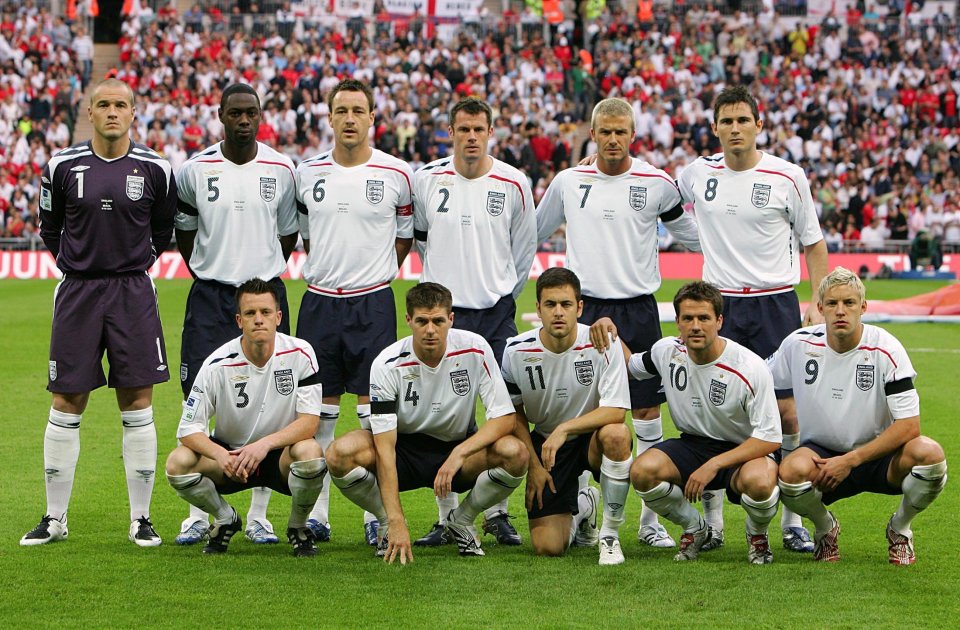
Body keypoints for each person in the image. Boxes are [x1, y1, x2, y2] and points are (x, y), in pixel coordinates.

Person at [537, 97, 701, 549]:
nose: (612, 139)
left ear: (633, 135)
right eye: (604, 131)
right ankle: (586, 506)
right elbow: (532, 231)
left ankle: (650, 522)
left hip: (638, 309)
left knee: (647, 415)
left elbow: (691, 235)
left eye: (620, 132)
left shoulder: (656, 183)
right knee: (583, 412)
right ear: (592, 134)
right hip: (583, 310)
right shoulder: (569, 181)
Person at [22, 78, 177, 547]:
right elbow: (50, 229)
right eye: (104, 105)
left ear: (134, 112)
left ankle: (142, 518)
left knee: (137, 400)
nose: (113, 112)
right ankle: (54, 518)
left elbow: (163, 229)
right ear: (90, 112)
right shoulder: (61, 165)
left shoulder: (156, 168)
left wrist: (132, 267)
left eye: (122, 105)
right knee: (67, 400)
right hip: (79, 292)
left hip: (132, 291)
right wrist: (81, 264)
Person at [676, 85, 828, 553]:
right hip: (720, 305)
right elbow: (663, 209)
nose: (735, 128)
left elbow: (813, 242)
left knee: (785, 412)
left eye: (744, 120)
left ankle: (791, 521)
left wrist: (817, 301)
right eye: (727, 121)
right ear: (715, 127)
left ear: (759, 125)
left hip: (775, 302)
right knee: (713, 411)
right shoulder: (695, 174)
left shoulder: (787, 175)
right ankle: (714, 519)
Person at [173, 83, 299, 546]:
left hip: (264, 293)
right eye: (235, 113)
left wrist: (259, 280)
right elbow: (186, 232)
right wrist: (213, 269)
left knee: (271, 401)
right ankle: (199, 512)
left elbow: (287, 234)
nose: (244, 121)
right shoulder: (194, 169)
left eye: (252, 113)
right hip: (210, 296)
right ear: (220, 115)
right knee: (198, 397)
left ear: (261, 116)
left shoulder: (282, 168)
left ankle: (260, 513)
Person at [324, 283, 529, 563]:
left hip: (457, 451)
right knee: (339, 453)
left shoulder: (475, 349)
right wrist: (396, 519)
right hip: (402, 452)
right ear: (409, 320)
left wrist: (460, 452)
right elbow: (385, 448)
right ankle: (384, 523)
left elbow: (504, 417)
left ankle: (462, 519)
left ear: (451, 320)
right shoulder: (386, 363)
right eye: (422, 321)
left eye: (438, 321)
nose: (430, 330)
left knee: (515, 453)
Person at [412, 97, 536, 546]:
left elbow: (523, 250)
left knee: (503, 411)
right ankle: (445, 516)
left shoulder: (514, 182)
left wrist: (503, 289)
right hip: (443, 316)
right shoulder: (426, 179)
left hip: (495, 310)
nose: (470, 137)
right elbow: (422, 241)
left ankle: (495, 513)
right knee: (444, 414)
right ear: (450, 131)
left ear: (490, 132)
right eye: (462, 129)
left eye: (478, 129)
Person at [295, 79, 414, 545]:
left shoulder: (396, 173)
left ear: (371, 119)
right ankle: (319, 514)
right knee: (319, 412)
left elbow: (404, 235)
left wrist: (376, 271)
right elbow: (305, 232)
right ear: (329, 118)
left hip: (373, 302)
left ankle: (374, 516)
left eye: (357, 111)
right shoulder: (308, 173)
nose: (348, 119)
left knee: (374, 415)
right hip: (320, 301)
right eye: (340, 110)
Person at [769, 267, 947, 564]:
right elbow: (759, 381)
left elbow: (909, 426)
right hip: (822, 456)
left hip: (880, 454)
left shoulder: (886, 348)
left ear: (863, 307)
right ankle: (826, 529)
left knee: (930, 455)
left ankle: (900, 528)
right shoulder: (797, 345)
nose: (841, 311)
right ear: (820, 307)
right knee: (789, 472)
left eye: (849, 303)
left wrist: (850, 461)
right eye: (833, 303)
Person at [616, 282, 783, 564]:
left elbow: (770, 438)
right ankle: (696, 528)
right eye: (688, 318)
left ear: (719, 321)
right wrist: (608, 330)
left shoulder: (749, 367)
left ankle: (757, 534)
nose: (696, 326)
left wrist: (714, 465)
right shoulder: (666, 351)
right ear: (678, 322)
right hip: (693, 445)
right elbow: (630, 366)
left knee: (760, 482)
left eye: (704, 318)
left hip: (745, 449)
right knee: (643, 471)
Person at [165, 279, 328, 557]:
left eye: (265, 312)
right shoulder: (217, 364)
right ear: (239, 321)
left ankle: (298, 527)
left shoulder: (301, 353)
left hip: (279, 458)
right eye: (251, 314)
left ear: (278, 317)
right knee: (178, 463)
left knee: (311, 453)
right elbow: (188, 428)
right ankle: (226, 518)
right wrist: (220, 455)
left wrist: (264, 445)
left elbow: (309, 422)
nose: (259, 320)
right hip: (232, 460)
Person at [502, 268, 632, 565]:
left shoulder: (602, 342)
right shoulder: (515, 350)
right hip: (547, 444)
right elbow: (515, 415)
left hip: (591, 439)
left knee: (616, 434)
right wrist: (534, 466)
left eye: (566, 304)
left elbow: (616, 410)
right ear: (537, 309)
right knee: (548, 547)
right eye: (550, 305)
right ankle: (586, 505)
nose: (558, 312)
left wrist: (565, 429)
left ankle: (610, 535)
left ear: (580, 307)